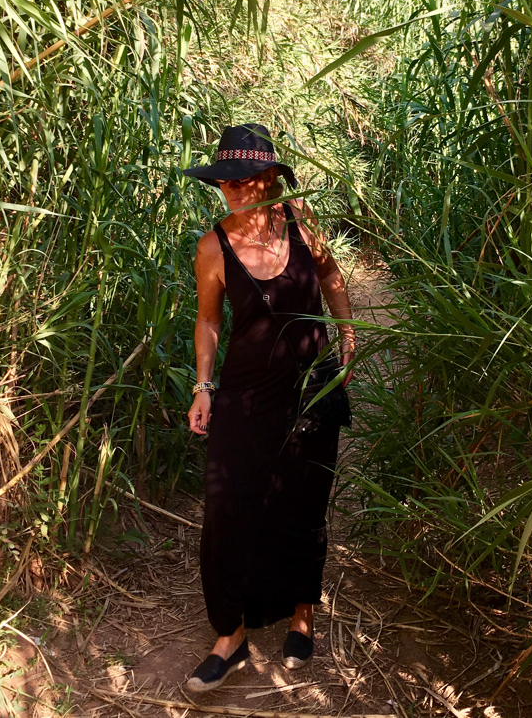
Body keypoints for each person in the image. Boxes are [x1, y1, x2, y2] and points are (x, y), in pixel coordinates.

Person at [182, 123, 355, 692]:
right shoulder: (212, 247)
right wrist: (203, 386)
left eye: (242, 178)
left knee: (304, 500)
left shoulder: (300, 223)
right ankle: (229, 636)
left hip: (310, 387)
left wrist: (347, 332)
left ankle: (302, 613)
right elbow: (209, 320)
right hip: (246, 391)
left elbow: (330, 274)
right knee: (226, 508)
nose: (231, 188)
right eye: (224, 180)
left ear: (269, 178)